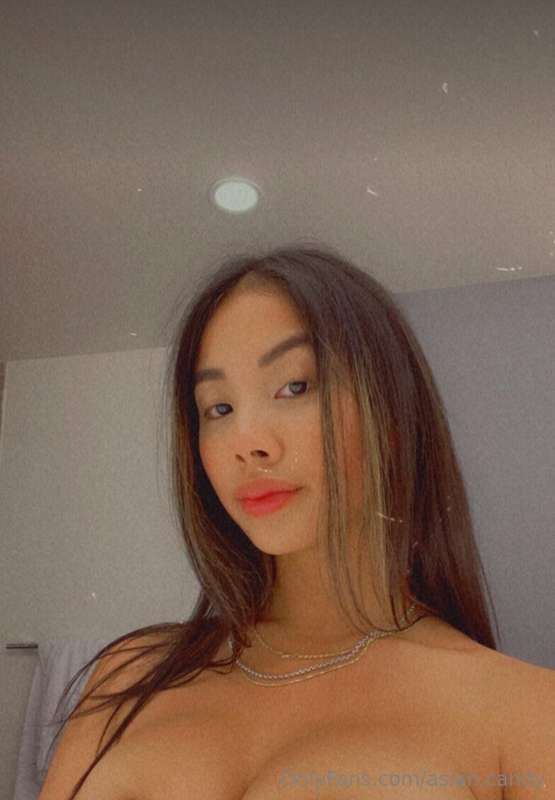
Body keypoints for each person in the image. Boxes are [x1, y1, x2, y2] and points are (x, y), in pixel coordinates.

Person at [39, 245, 554, 800]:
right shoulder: (126, 676)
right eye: (218, 408)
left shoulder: (524, 714)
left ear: (392, 413)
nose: (246, 442)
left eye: (295, 387)